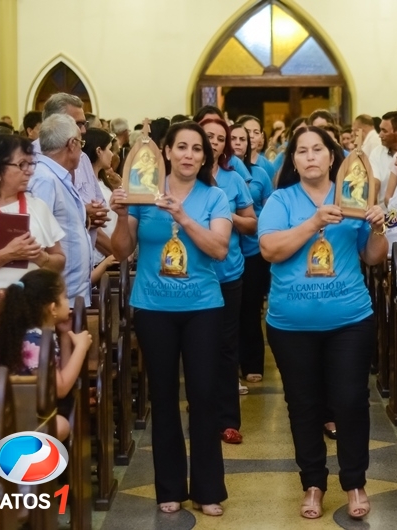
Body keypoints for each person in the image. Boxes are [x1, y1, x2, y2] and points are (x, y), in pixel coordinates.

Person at [258, 126, 387, 520]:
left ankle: (355, 482)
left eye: (318, 150)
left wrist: (377, 227)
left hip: (349, 319)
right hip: (290, 325)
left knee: (350, 402)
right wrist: (314, 222)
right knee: (304, 405)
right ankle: (313, 483)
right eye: (302, 151)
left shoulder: (353, 196)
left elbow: (373, 256)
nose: (311, 156)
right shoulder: (281, 200)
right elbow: (270, 250)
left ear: (332, 158)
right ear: (293, 160)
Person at [110, 122, 231, 516]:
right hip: (153, 307)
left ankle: (208, 490)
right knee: (162, 397)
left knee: (204, 398)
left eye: (197, 149)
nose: (189, 155)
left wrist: (184, 216)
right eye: (181, 147)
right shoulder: (144, 192)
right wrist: (122, 214)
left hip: (202, 308)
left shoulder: (215, 196)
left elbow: (219, 249)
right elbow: (121, 250)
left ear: (205, 156)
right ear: (166, 151)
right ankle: (170, 487)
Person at [0, 135, 66, 338]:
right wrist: (6, 255)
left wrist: (40, 257)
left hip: (32, 302)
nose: (29, 171)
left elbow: (59, 262)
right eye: (22, 164)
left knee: (34, 358)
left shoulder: (37, 207)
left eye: (31, 164)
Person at [0, 269, 90, 440]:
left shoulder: (36, 333)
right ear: (53, 308)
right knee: (60, 425)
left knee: (58, 422)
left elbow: (61, 376)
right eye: (65, 297)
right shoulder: (34, 341)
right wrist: (81, 348)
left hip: (15, 409)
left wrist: (65, 337)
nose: (69, 302)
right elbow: (61, 389)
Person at [201, 117, 257, 441]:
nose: (214, 142)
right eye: (208, 136)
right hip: (194, 275)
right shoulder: (183, 179)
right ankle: (203, 411)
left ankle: (228, 420)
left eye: (220, 138)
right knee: (199, 347)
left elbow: (252, 223)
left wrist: (226, 215)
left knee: (226, 346)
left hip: (228, 272)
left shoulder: (233, 179)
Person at [28, 114, 93, 308]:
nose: (81, 150)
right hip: (58, 296)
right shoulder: (45, 179)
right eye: (81, 143)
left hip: (71, 292)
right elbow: (40, 237)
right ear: (72, 144)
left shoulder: (57, 176)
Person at [34, 94, 110, 254]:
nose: (83, 130)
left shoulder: (82, 158)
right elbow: (38, 226)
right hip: (55, 262)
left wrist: (96, 213)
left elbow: (99, 204)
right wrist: (82, 213)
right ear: (55, 123)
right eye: (78, 124)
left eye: (84, 124)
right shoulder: (31, 160)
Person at [230, 122, 274, 385]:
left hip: (253, 248)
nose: (238, 143)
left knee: (250, 307)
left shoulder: (260, 174)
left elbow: (268, 210)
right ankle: (230, 364)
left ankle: (252, 363)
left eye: (242, 139)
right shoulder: (220, 174)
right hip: (228, 249)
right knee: (230, 311)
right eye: (233, 139)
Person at [81, 128, 119, 269]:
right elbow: (95, 229)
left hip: (112, 255)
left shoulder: (103, 181)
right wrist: (118, 254)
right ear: (98, 151)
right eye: (109, 149)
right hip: (102, 260)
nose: (112, 154)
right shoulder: (85, 185)